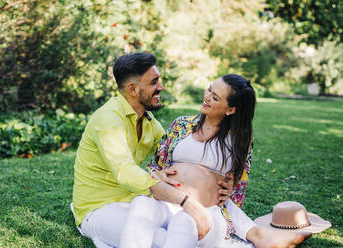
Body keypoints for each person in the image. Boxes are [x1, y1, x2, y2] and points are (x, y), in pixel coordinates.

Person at [120, 74, 312, 248]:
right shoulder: (181, 125)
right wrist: (157, 174)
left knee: (184, 223)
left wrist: (231, 187)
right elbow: (155, 167)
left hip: (206, 211)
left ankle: (261, 236)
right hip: (166, 201)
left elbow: (238, 185)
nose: (207, 97)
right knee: (141, 206)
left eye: (215, 97)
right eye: (209, 89)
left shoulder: (239, 140)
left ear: (231, 109)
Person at [71, 52, 224, 248]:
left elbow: (174, 151)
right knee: (159, 240)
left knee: (188, 230)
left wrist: (217, 178)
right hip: (99, 208)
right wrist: (186, 200)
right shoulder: (108, 119)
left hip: (136, 202)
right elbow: (124, 171)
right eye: (154, 82)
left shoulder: (148, 121)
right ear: (132, 89)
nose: (161, 87)